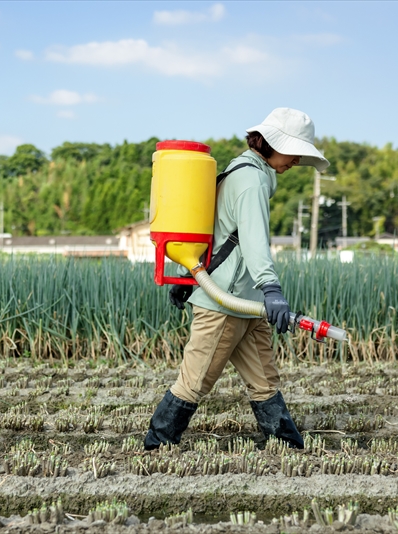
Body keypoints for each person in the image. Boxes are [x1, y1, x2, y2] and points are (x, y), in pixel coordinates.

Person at [144, 108, 330, 451]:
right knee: (195, 381)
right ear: (273, 143)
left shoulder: (240, 170)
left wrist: (188, 275)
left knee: (264, 380)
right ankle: (156, 446)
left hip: (246, 302)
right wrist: (271, 289)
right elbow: (253, 241)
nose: (297, 161)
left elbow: (216, 232)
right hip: (225, 302)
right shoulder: (252, 181)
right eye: (295, 152)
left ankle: (287, 446)